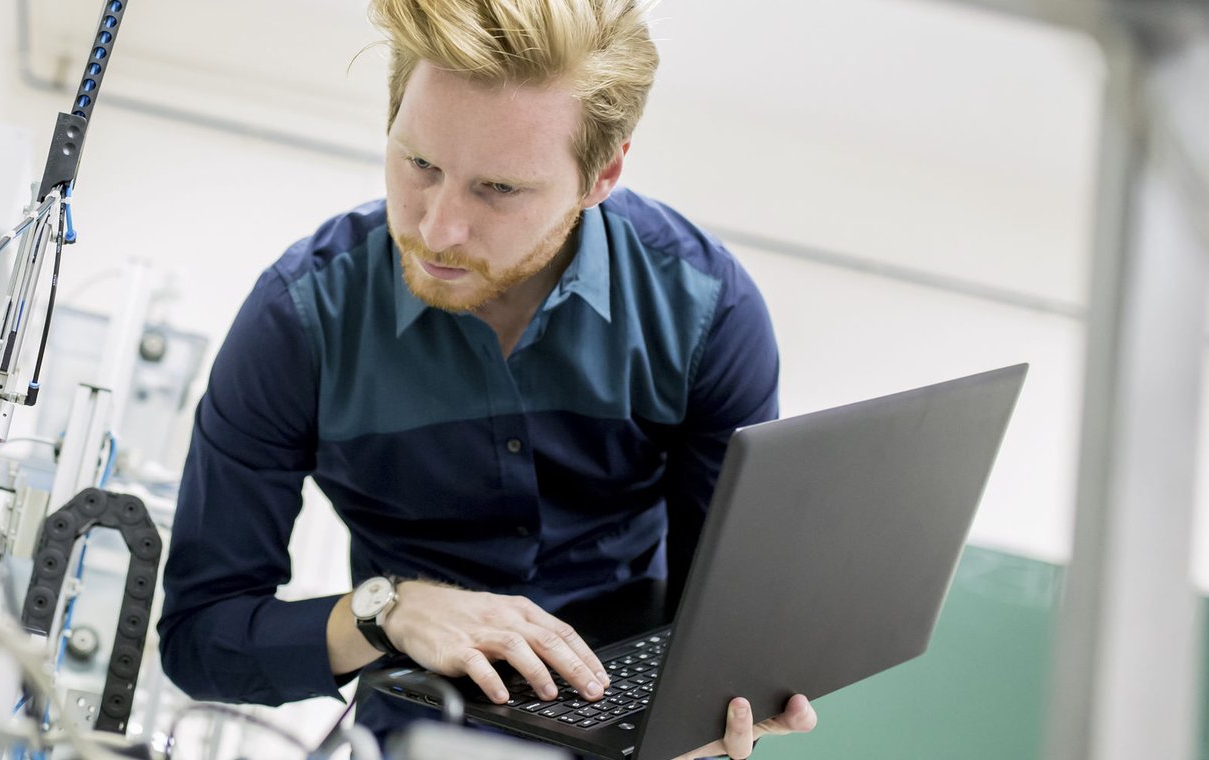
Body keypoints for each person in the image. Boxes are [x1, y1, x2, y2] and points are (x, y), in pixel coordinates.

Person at [156, 0, 817, 756]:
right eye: (419, 164)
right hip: (412, 731)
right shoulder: (299, 322)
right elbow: (200, 638)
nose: (437, 229)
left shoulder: (705, 311)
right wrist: (386, 612)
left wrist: (726, 701)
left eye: (498, 189)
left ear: (601, 174)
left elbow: (722, 611)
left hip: (630, 732)